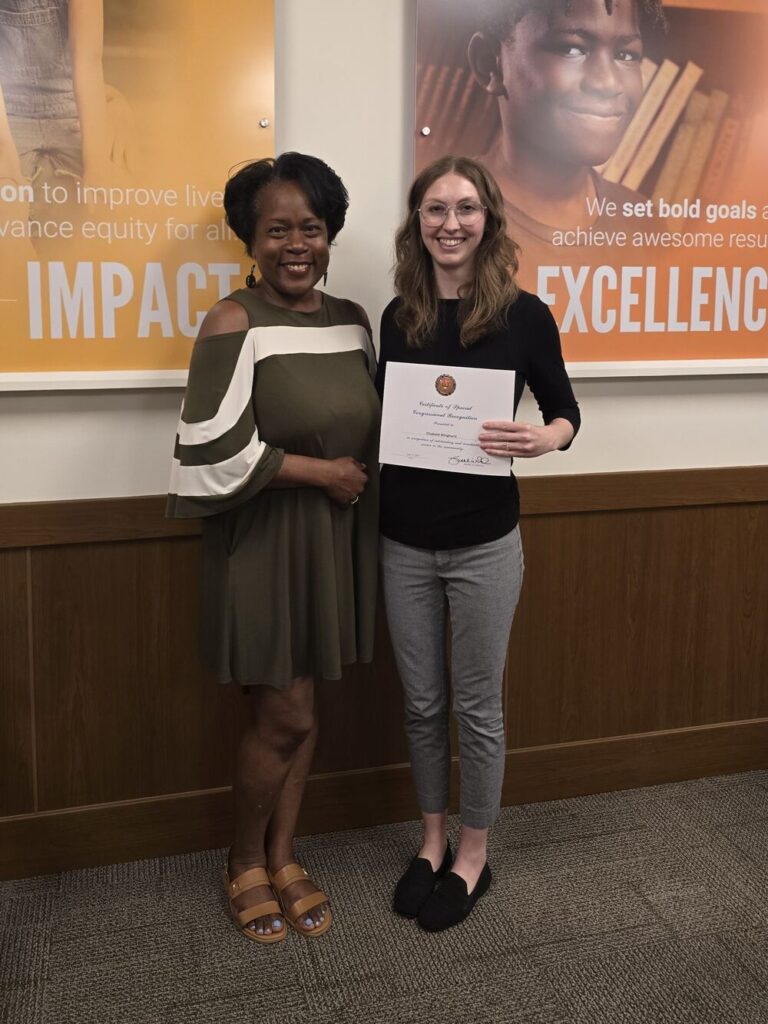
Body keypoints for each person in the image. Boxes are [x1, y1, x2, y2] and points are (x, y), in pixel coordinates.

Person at [167, 152, 379, 943]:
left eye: (312, 228)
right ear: (249, 242)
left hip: (332, 541)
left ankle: (285, 854)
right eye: (277, 229)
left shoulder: (354, 320)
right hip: (260, 541)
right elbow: (205, 451)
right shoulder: (232, 321)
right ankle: (242, 862)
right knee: (282, 713)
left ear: (331, 235)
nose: (297, 244)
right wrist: (322, 471)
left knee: (306, 706)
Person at [377, 155, 579, 931]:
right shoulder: (400, 315)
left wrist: (543, 439)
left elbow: (567, 413)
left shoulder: (525, 315)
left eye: (465, 208)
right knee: (424, 705)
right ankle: (430, 843)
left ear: (489, 218)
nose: (450, 223)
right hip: (403, 541)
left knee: (477, 706)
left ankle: (472, 854)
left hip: (486, 543)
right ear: (417, 222)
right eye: (435, 209)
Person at [467, 0, 666, 280]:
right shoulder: (449, 223)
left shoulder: (644, 224)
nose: (607, 83)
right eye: (571, 49)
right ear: (490, 63)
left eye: (625, 54)